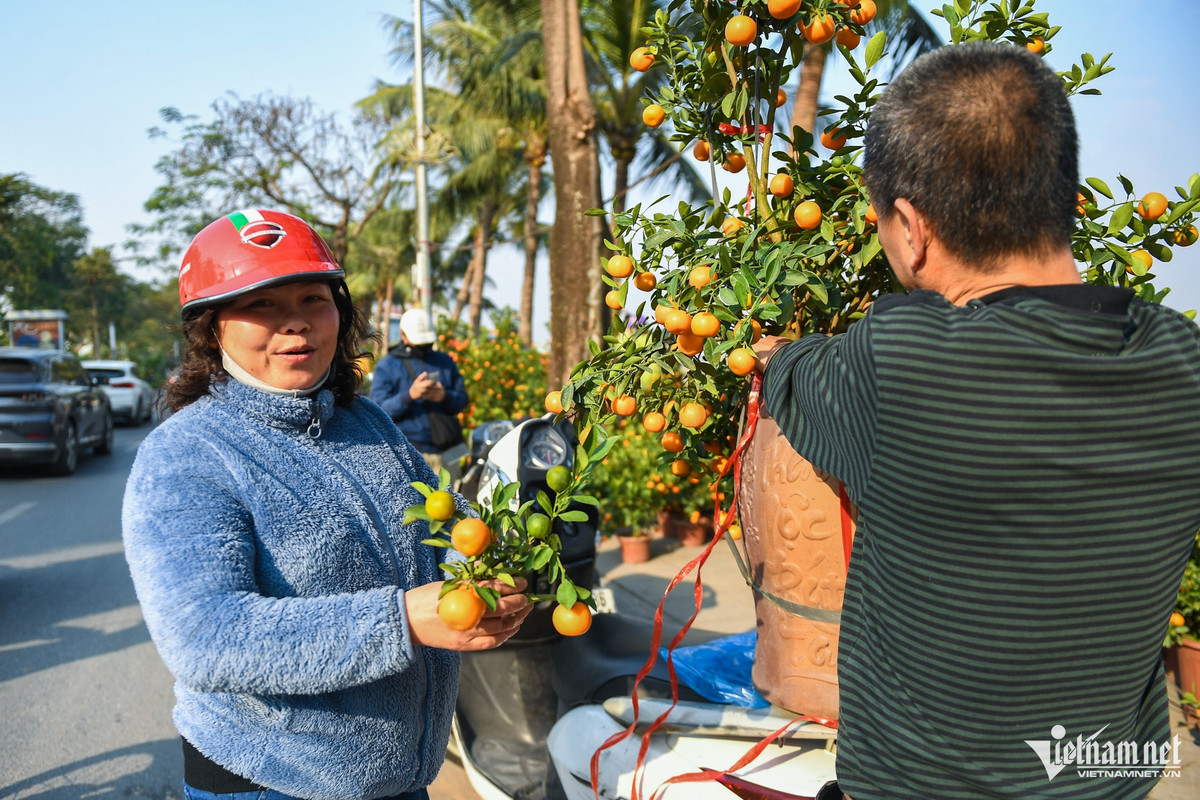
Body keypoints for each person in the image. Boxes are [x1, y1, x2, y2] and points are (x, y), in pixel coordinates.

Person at [753, 43, 1200, 800]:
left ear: (911, 226)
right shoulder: (1181, 362)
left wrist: (777, 351)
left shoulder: (901, 361)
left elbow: (792, 376)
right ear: (1059, 189)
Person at [122, 209, 530, 800]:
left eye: (313, 298)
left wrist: (494, 562)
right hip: (271, 781)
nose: (296, 324)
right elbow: (203, 637)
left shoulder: (366, 422)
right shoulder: (187, 454)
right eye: (262, 304)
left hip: (399, 780)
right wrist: (405, 620)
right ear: (211, 329)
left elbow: (437, 531)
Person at [370, 308, 469, 486]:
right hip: (408, 453)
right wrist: (410, 395)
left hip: (446, 453)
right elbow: (377, 410)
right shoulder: (388, 366)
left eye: (427, 342)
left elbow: (462, 400)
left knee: (449, 509)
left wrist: (444, 396)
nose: (423, 347)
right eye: (419, 343)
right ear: (403, 335)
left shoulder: (444, 362)